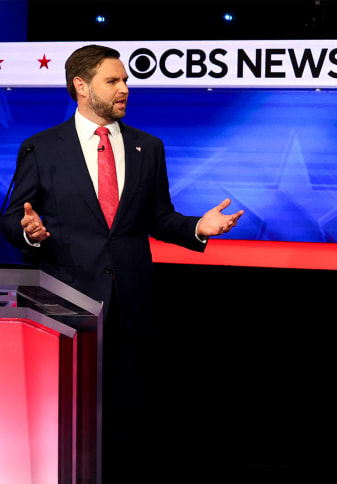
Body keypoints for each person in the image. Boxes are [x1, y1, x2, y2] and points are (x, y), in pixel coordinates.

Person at [0, 44, 243, 480]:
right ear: (81, 86)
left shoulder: (148, 147)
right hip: (64, 306)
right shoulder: (41, 148)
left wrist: (197, 228)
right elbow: (12, 217)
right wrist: (28, 232)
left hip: (132, 303)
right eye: (112, 81)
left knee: (127, 418)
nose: (124, 89)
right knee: (67, 420)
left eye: (126, 80)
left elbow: (158, 218)